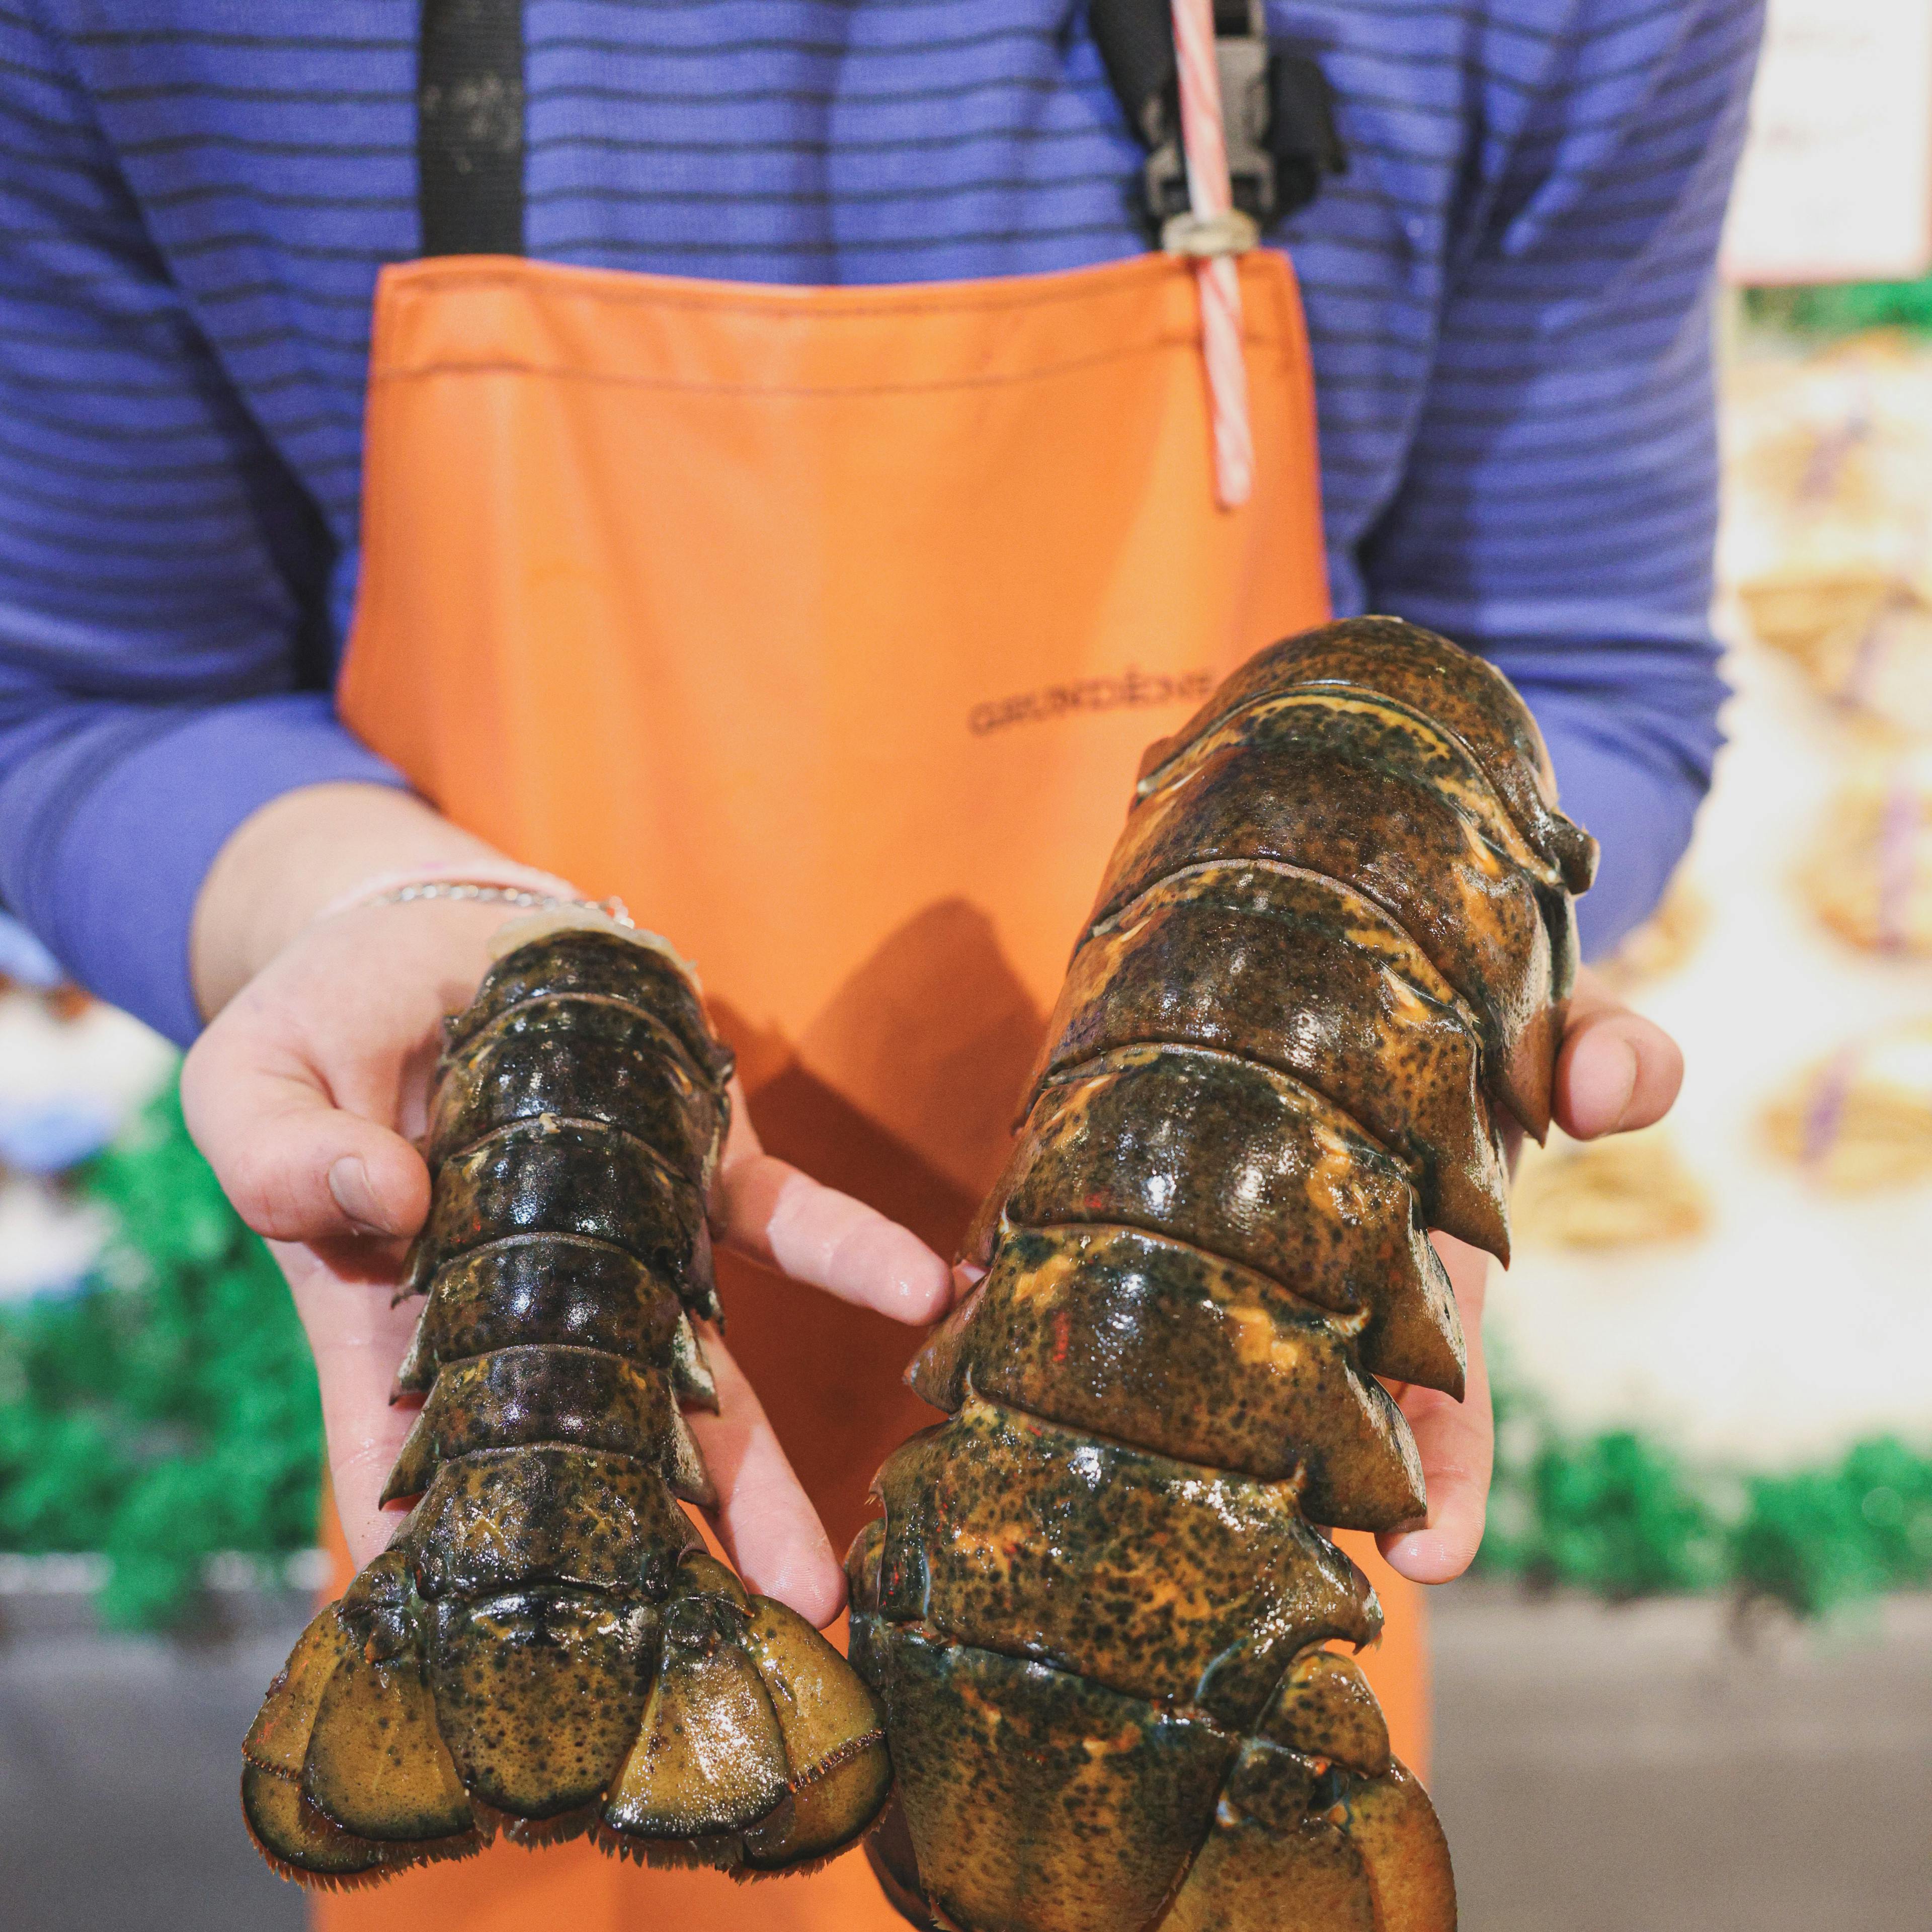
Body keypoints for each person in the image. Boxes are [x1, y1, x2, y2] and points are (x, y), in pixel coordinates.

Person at [0, 2, 1751, 1925]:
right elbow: (83, 696)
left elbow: (1592, 653)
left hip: (1237, 1467)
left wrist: (1433, 995)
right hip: (570, 1455)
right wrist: (357, 911)